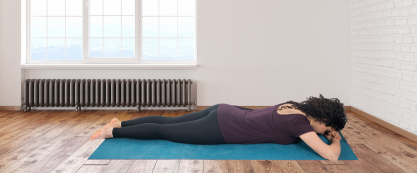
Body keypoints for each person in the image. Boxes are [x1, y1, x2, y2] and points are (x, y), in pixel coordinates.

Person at [90, 94, 347, 161]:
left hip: (224, 110)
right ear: (323, 119)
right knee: (165, 131)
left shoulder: (294, 106)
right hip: (223, 128)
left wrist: (326, 132)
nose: (323, 132)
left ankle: (120, 122)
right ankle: (112, 132)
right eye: (327, 127)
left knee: (168, 122)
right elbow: (331, 155)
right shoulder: (299, 124)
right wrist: (334, 139)